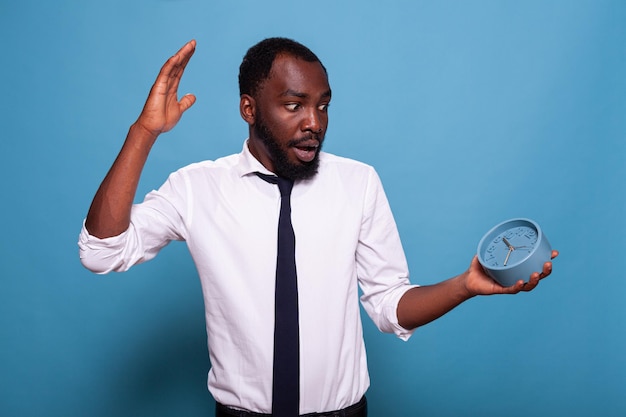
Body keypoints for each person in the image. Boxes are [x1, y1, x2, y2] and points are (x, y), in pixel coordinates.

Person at [78, 38, 557, 417]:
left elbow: (390, 305)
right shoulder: (196, 188)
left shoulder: (358, 182)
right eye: (294, 105)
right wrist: (144, 133)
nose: (314, 122)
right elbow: (102, 252)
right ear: (249, 109)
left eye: (323, 105)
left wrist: (466, 286)